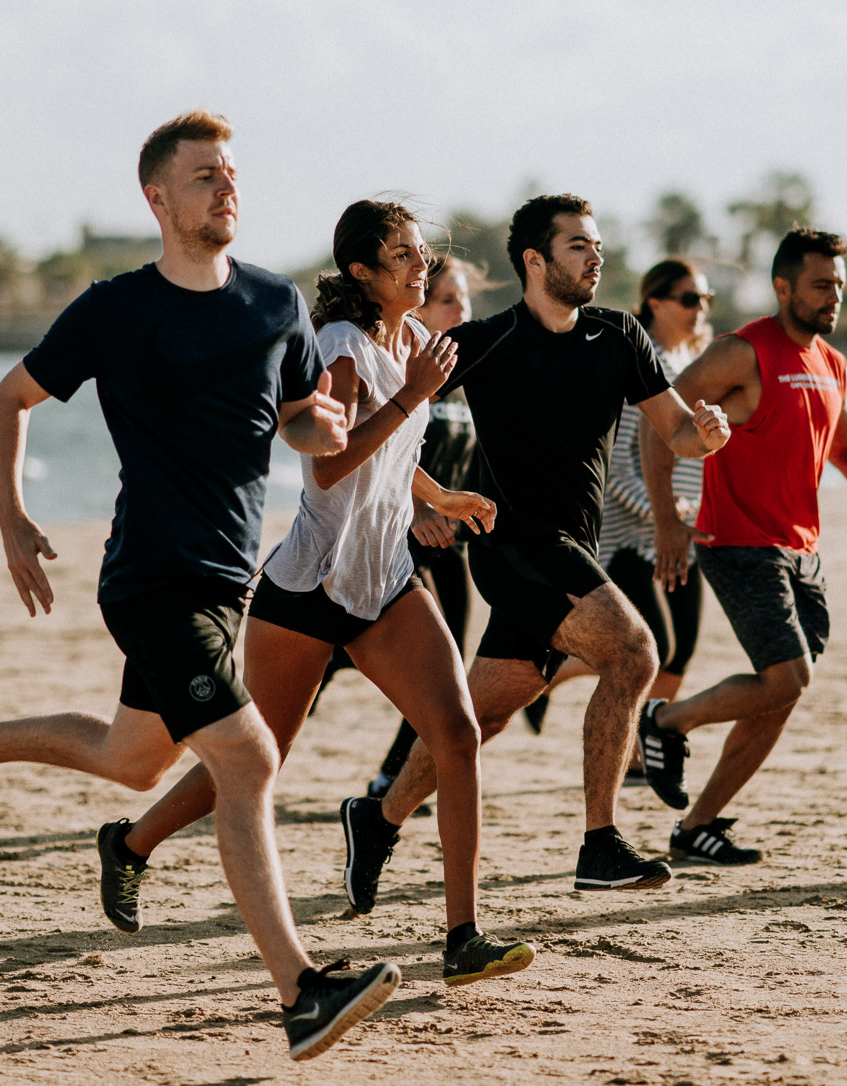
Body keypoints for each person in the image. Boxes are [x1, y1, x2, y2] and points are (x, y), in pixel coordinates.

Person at [0, 110, 399, 1061]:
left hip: (226, 580)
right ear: (158, 198)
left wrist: (324, 431)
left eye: (231, 173)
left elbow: (300, 418)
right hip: (149, 578)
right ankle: (301, 990)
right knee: (249, 760)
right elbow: (11, 397)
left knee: (134, 761)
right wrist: (10, 515)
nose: (227, 187)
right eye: (205, 175)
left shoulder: (274, 303)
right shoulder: (116, 309)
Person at [99, 200, 535, 987]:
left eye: (420, 252)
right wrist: (412, 396)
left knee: (458, 733)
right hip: (307, 587)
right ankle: (130, 844)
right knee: (260, 755)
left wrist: (438, 499)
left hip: (384, 582)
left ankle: (462, 935)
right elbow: (329, 465)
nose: (419, 265)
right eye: (400, 255)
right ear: (363, 273)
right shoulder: (339, 348)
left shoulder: (411, 345)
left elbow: (391, 455)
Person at [339, 194, 732, 907]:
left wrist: (705, 434)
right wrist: (424, 503)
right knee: (634, 652)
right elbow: (388, 425)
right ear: (534, 260)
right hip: (515, 543)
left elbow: (676, 432)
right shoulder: (487, 341)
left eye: (596, 245)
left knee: (478, 719)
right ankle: (599, 844)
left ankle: (377, 816)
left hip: (571, 546)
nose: (595, 257)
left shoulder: (619, 336)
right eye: (578, 245)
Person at [633, 227, 847, 865]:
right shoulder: (741, 352)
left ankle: (697, 828)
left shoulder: (832, 363)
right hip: (738, 542)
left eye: (839, 287)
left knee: (782, 690)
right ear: (783, 287)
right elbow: (657, 422)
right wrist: (666, 518)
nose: (834, 297)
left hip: (802, 551)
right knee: (787, 676)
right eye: (821, 285)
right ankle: (666, 722)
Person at [522, 258, 716, 739]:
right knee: (654, 648)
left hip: (679, 532)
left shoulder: (684, 365)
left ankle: (643, 750)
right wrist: (664, 516)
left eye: (706, 300)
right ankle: (550, 676)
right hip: (633, 538)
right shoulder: (642, 362)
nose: (700, 309)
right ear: (655, 302)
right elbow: (618, 470)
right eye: (689, 299)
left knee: (681, 651)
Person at [363, 257, 486, 799]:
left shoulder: (465, 376)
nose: (463, 312)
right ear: (421, 307)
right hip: (402, 542)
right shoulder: (407, 372)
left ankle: (394, 769)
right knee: (425, 666)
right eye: (448, 301)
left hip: (450, 547)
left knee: (447, 664)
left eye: (465, 300)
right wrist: (418, 509)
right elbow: (376, 451)